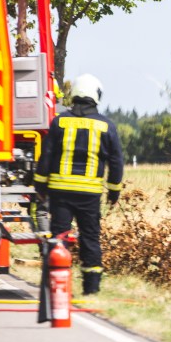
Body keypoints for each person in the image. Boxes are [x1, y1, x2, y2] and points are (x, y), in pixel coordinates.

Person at [33, 74, 124, 295]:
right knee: (90, 239)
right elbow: (116, 162)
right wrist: (113, 193)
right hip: (89, 195)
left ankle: (57, 287)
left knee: (60, 238)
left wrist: (41, 188)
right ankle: (91, 290)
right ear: (96, 95)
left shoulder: (60, 122)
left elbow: (46, 157)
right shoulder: (106, 126)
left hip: (60, 193)